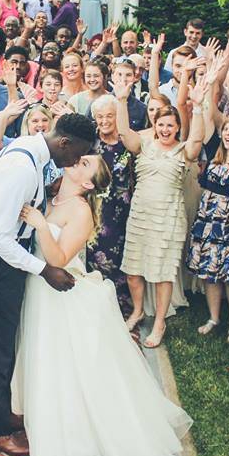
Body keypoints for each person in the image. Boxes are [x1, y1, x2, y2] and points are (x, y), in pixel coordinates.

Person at [10, 153, 199, 456]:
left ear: (87, 183)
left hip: (60, 293)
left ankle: (75, 433)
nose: (77, 163)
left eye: (85, 165)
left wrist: (38, 224)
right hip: (38, 291)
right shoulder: (53, 193)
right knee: (45, 356)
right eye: (81, 159)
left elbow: (59, 260)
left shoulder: (80, 211)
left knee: (68, 363)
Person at [0, 112, 95, 456]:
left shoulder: (35, 156)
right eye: (76, 154)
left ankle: (2, 412)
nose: (74, 162)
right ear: (64, 142)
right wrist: (42, 269)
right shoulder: (21, 166)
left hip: (7, 257)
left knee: (5, 341)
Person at [117, 80, 207, 347]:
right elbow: (124, 132)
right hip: (141, 214)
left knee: (161, 273)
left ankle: (159, 322)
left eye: (170, 124)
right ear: (154, 126)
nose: (165, 128)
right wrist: (121, 101)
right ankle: (137, 310)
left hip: (169, 216)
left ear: (178, 127)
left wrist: (199, 107)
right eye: (161, 124)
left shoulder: (183, 151)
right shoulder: (143, 145)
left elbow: (198, 141)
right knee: (133, 271)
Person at [187, 115, 229, 345]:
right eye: (226, 129)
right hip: (207, 220)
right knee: (209, 271)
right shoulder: (215, 153)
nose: (227, 134)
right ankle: (214, 318)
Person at [86, 95, 135, 317]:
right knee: (95, 252)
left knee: (120, 256)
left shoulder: (128, 142)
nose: (104, 121)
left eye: (109, 116)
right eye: (100, 116)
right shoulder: (90, 142)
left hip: (123, 209)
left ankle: (121, 305)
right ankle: (95, 303)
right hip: (95, 207)